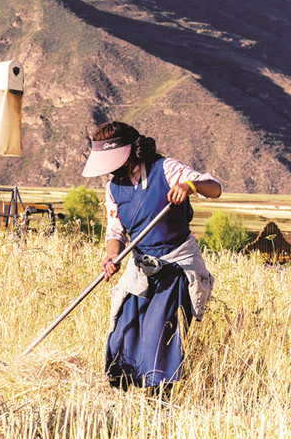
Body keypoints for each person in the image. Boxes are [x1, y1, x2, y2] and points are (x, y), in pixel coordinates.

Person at [82, 121, 221, 391]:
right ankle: (123, 395)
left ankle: (159, 398)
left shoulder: (165, 168)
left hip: (176, 267)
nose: (111, 169)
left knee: (159, 332)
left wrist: (190, 185)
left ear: (131, 151)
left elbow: (215, 188)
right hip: (142, 267)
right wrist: (112, 256)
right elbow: (115, 230)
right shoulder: (113, 188)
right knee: (124, 331)